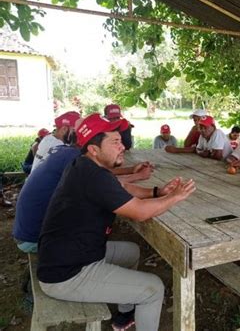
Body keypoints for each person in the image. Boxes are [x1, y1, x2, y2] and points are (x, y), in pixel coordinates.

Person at [36, 113, 195, 331]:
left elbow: (122, 187)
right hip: (67, 274)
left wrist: (158, 191)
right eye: (115, 142)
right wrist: (174, 197)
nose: (122, 146)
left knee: (131, 252)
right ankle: (139, 305)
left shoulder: (84, 165)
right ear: (94, 149)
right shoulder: (93, 176)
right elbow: (139, 212)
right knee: (154, 289)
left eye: (121, 140)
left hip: (69, 253)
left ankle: (124, 315)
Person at [13, 118, 154, 254]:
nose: (121, 146)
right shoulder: (77, 161)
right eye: (111, 141)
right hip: (34, 238)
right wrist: (139, 177)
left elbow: (105, 175)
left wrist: (131, 170)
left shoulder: (66, 152)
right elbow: (107, 182)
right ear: (93, 146)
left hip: (28, 230)